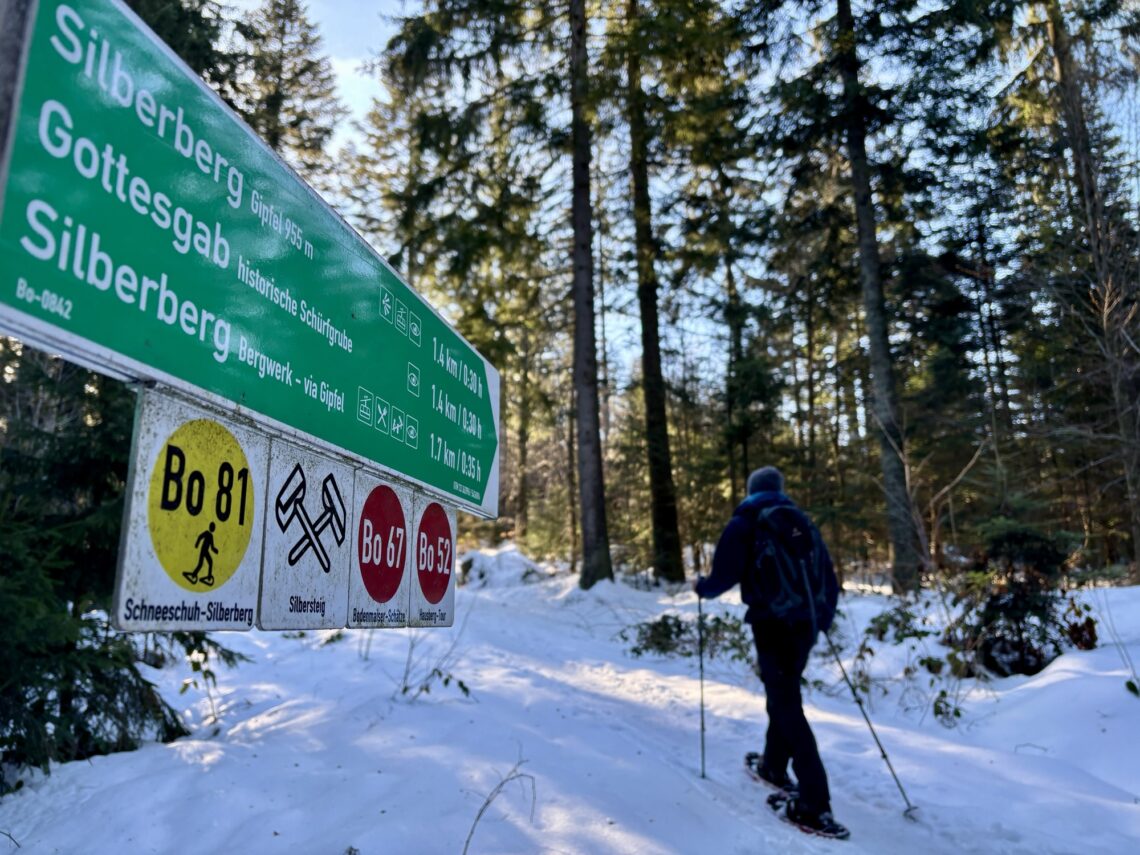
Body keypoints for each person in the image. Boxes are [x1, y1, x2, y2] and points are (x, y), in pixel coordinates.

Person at [694, 466, 848, 839]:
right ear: (779, 490)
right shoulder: (801, 524)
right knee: (783, 696)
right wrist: (819, 623)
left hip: (772, 625)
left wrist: (701, 587)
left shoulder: (745, 522)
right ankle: (773, 767)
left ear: (751, 490)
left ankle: (813, 803)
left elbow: (722, 578)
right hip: (805, 627)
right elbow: (829, 579)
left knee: (785, 705)